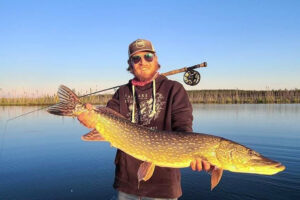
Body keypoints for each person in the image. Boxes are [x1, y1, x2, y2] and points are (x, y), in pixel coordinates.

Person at [78, 39, 213, 200]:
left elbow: (184, 129)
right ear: (131, 64)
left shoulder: (174, 90)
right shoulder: (122, 93)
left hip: (164, 188)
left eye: (148, 56)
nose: (143, 62)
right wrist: (90, 119)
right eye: (136, 58)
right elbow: (106, 121)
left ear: (156, 59)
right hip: (126, 184)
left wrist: (197, 152)